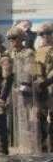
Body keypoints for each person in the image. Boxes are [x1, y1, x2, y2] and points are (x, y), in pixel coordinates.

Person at [34, 23, 53, 151]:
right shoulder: (39, 50)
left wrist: (46, 82)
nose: (45, 36)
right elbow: (36, 69)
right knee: (40, 118)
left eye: (48, 33)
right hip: (41, 89)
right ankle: (43, 148)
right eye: (42, 34)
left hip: (50, 86)